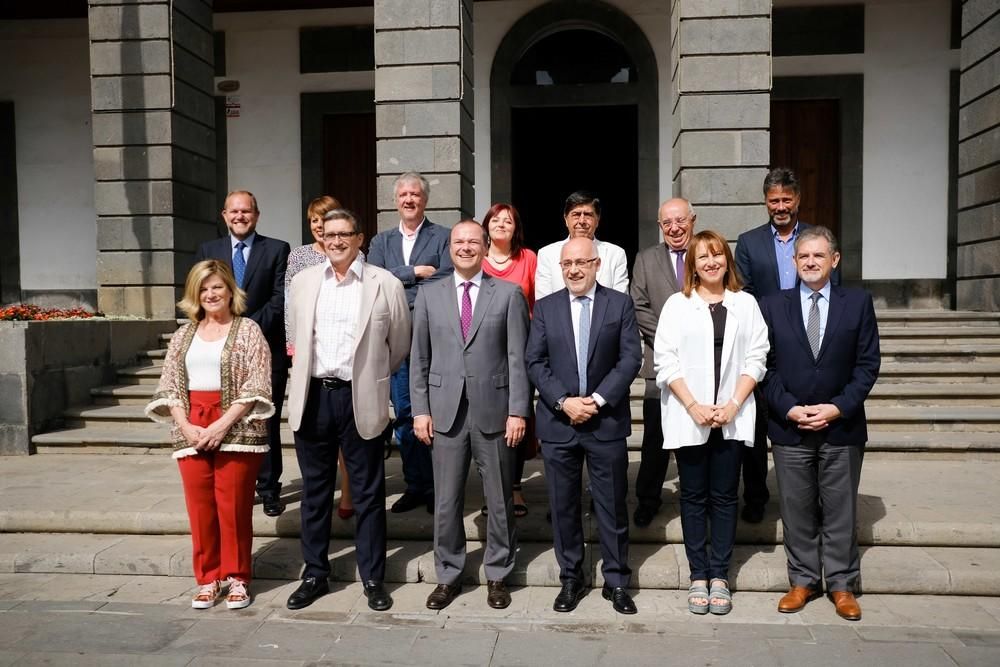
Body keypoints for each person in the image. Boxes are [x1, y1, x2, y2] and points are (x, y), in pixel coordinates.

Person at [284, 209, 411, 612]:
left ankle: (373, 577)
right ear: (320, 240)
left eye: (345, 234)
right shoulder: (303, 283)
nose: (336, 241)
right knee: (315, 493)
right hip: (314, 397)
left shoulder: (384, 283)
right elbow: (297, 335)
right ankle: (315, 573)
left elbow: (399, 343)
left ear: (360, 238)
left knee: (370, 494)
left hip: (360, 397)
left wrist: (371, 375)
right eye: (329, 234)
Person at [759, 226, 880, 621]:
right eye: (803, 256)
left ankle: (842, 585)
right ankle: (803, 580)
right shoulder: (773, 305)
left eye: (818, 256)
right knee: (796, 509)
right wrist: (790, 408)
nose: (810, 262)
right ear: (794, 262)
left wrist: (837, 408)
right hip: (789, 426)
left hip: (841, 426)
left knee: (840, 508)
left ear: (834, 260)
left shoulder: (858, 303)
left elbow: (867, 365)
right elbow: (765, 367)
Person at [410, 220, 531, 611]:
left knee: (499, 499)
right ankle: (448, 574)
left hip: (494, 410)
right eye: (459, 241)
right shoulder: (428, 295)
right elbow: (420, 360)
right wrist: (420, 410)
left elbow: (518, 359)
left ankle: (498, 572)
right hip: (444, 413)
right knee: (446, 501)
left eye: (472, 241)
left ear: (484, 247)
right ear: (450, 248)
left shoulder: (509, 294)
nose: (465, 247)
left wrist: (518, 411)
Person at [145, 260, 274, 610]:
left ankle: (237, 578)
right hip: (191, 424)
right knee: (200, 508)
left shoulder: (248, 330)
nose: (211, 294)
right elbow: (169, 382)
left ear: (230, 290)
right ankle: (208, 578)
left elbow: (257, 382)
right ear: (194, 294)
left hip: (237, 426)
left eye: (217, 286)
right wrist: (186, 426)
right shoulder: (183, 334)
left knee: (233, 507)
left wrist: (221, 425)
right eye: (203, 288)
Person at [653, 230, 769, 616]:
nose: (710, 262)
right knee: (692, 496)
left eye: (717, 254)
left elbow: (757, 357)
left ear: (727, 260)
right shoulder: (676, 304)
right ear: (692, 264)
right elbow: (665, 361)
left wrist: (734, 403)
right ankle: (697, 575)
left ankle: (719, 574)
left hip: (732, 415)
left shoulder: (746, 304)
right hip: (691, 415)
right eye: (702, 257)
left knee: (723, 497)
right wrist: (693, 406)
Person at [526, 237, 642, 615]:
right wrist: (564, 401)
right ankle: (571, 579)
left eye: (581, 262)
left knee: (611, 506)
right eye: (567, 264)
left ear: (596, 264)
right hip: (559, 424)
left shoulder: (619, 304)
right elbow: (535, 362)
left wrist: (596, 401)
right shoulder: (545, 308)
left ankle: (617, 581)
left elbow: (630, 359)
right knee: (563, 506)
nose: (574, 270)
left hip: (605, 421)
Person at [733, 167, 841, 524]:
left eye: (786, 200)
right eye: (773, 200)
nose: (780, 206)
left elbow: (831, 287)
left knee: (805, 422)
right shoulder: (749, 242)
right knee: (757, 423)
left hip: (808, 341)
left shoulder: (816, 239)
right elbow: (744, 292)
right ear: (765, 202)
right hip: (763, 339)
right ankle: (756, 496)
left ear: (798, 200)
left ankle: (813, 498)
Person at [195, 191, 291, 518]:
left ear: (256, 215)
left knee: (265, 420)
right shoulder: (208, 250)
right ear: (224, 215)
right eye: (234, 211)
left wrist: (243, 331)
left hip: (266, 350)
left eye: (246, 211)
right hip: (220, 356)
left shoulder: (277, 249)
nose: (240, 216)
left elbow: (279, 300)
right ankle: (238, 485)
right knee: (229, 421)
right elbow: (200, 296)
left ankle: (269, 488)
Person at [367, 172, 453, 514]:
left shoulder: (444, 237)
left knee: (434, 413)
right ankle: (415, 484)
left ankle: (438, 488)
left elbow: (447, 276)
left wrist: (397, 281)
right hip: (394, 340)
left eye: (415, 194)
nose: (409, 199)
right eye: (403, 194)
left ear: (425, 200)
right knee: (404, 413)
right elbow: (372, 280)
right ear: (395, 200)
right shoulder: (380, 241)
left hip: (432, 339)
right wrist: (414, 272)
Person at [284, 195, 355, 521]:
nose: (318, 226)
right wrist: (293, 346)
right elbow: (290, 305)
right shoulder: (298, 257)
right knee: (317, 439)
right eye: (314, 220)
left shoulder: (356, 254)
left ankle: (349, 491)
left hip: (346, 364)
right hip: (309, 363)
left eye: (323, 219)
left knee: (348, 445)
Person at [630, 197, 696, 528]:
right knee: (655, 437)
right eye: (667, 223)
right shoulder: (645, 259)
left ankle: (694, 498)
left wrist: (695, 343)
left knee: (694, 436)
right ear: (660, 226)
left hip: (702, 364)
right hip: (659, 363)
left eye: (680, 220)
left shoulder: (707, 253)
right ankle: (647, 499)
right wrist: (672, 340)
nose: (674, 228)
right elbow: (639, 304)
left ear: (692, 220)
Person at [481, 202, 538, 516]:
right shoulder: (478, 260)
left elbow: (535, 303)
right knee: (487, 421)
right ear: (486, 226)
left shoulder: (528, 258)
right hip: (484, 353)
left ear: (516, 228)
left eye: (508, 221)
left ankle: (514, 487)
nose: (502, 224)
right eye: (496, 219)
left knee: (517, 416)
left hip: (519, 350)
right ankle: (492, 490)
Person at [534, 191, 629, 301]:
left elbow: (620, 303)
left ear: (597, 220)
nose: (582, 221)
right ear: (566, 219)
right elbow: (544, 304)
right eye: (576, 215)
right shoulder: (547, 254)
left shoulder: (616, 254)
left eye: (588, 215)